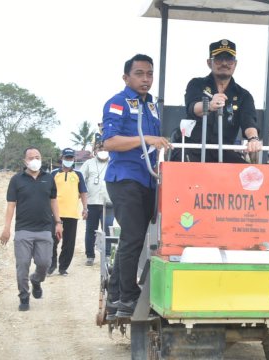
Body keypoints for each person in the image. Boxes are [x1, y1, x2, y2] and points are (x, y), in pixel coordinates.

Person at [102, 54, 171, 319]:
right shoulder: (118, 103)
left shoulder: (152, 105)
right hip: (124, 177)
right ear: (126, 77)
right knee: (131, 237)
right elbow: (109, 142)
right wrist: (147, 138)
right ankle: (128, 297)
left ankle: (116, 297)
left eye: (150, 74)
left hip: (149, 178)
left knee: (134, 240)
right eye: (140, 73)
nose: (146, 79)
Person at [0, 147, 63, 311]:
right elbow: (11, 205)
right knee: (22, 265)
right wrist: (6, 228)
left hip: (44, 229)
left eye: (37, 157)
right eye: (31, 157)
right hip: (23, 230)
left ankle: (36, 280)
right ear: (25, 161)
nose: (34, 160)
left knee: (44, 263)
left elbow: (54, 201)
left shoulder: (49, 178)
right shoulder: (16, 180)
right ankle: (24, 297)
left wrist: (58, 222)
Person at [183, 39, 261, 163]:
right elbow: (192, 108)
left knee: (247, 174)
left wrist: (253, 139)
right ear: (209, 63)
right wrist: (208, 105)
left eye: (229, 59)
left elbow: (249, 122)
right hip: (194, 150)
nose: (224, 63)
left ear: (235, 63)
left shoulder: (244, 95)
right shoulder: (196, 84)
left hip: (225, 152)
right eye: (219, 59)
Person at [49, 148, 88, 276]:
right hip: (55, 215)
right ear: (62, 158)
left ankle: (63, 267)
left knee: (69, 243)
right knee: (52, 241)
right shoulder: (53, 174)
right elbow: (47, 193)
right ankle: (51, 265)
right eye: (66, 158)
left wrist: (85, 208)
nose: (68, 160)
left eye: (71, 158)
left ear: (74, 159)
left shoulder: (78, 175)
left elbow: (83, 192)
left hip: (71, 214)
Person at [79, 141, 113, 266]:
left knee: (108, 230)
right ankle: (90, 256)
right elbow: (81, 180)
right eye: (100, 148)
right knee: (90, 230)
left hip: (108, 203)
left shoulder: (113, 163)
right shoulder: (88, 164)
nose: (102, 150)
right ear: (95, 150)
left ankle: (108, 255)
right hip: (92, 203)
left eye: (105, 148)